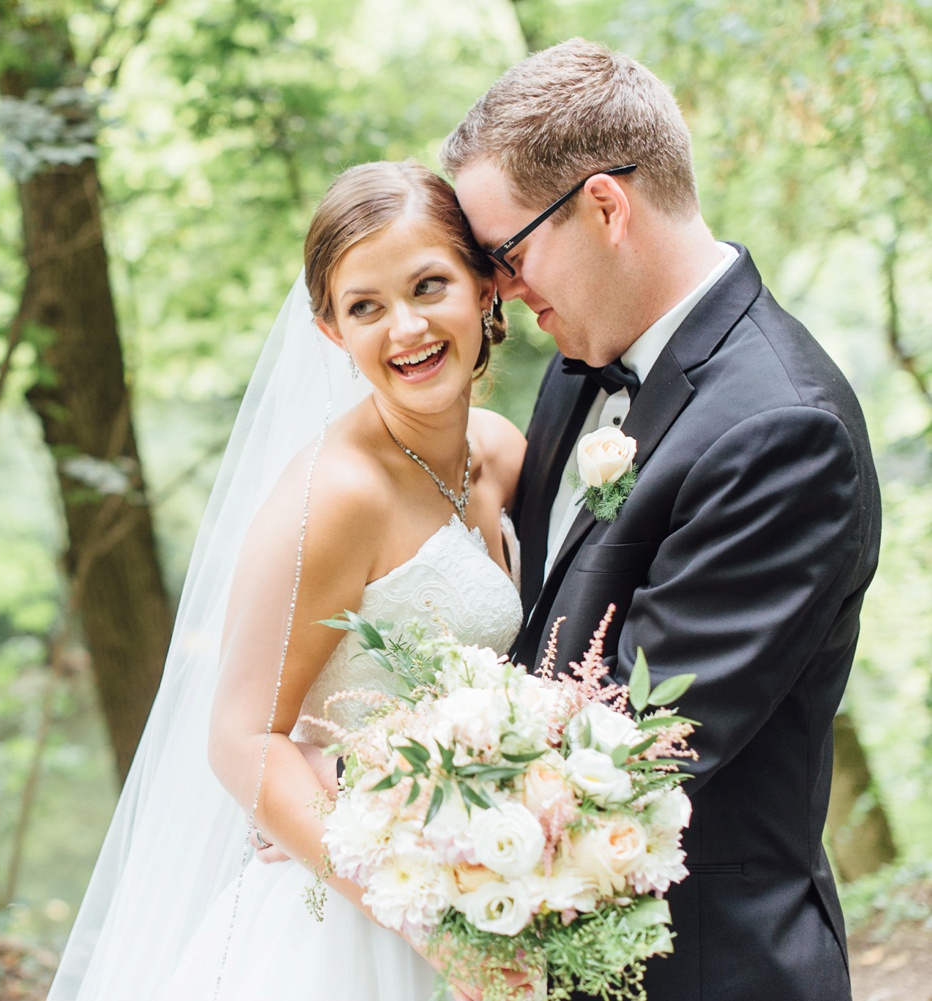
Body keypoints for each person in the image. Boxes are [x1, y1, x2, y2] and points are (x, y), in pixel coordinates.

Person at [440, 38, 880, 1001]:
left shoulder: (782, 430)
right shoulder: (576, 365)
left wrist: (377, 805)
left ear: (604, 205)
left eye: (507, 253)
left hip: (712, 969)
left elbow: (630, 749)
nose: (500, 291)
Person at [47, 160, 525, 1000]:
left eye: (429, 285)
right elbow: (240, 737)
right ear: (331, 333)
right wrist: (429, 925)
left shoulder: (503, 452)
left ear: (485, 288)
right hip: (351, 927)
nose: (405, 327)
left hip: (490, 881)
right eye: (365, 307)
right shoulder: (334, 497)